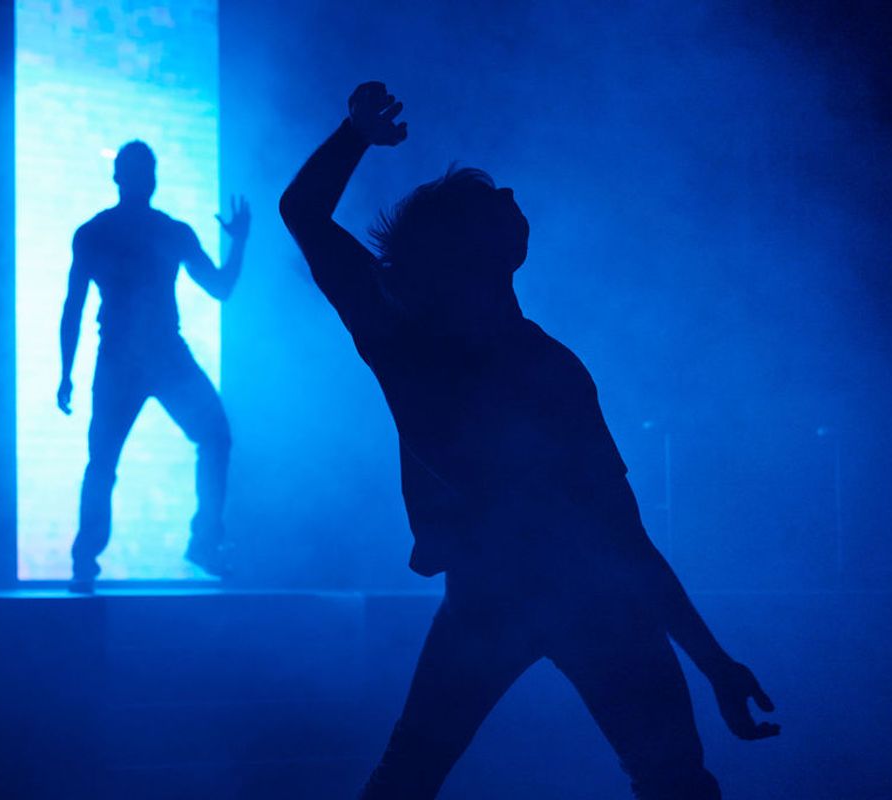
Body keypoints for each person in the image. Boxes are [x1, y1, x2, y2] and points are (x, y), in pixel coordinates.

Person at [280, 82, 778, 799]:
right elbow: (624, 535)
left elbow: (302, 212)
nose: (511, 192)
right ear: (470, 249)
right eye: (491, 201)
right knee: (672, 783)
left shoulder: (411, 339)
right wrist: (713, 662)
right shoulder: (525, 362)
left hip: (496, 597)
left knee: (408, 778)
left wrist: (355, 134)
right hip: (585, 599)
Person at [58, 141, 250, 590]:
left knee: (105, 462)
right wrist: (238, 241)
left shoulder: (99, 232)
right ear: (143, 179)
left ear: (119, 178)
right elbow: (220, 287)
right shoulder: (162, 232)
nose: (147, 180)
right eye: (145, 172)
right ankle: (199, 542)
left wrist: (66, 373)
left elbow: (74, 308)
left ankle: (87, 562)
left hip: (138, 358)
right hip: (154, 356)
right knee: (200, 440)